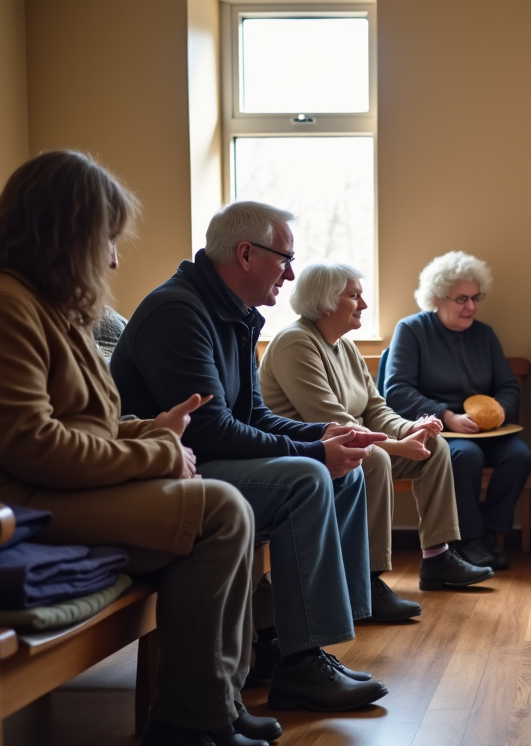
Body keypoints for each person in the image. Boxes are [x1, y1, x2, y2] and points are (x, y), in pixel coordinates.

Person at [0, 150, 272, 746]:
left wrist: (152, 429)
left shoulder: (50, 308)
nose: (115, 258)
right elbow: (33, 447)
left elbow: (86, 424)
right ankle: (188, 725)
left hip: (42, 491)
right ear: (65, 233)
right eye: (108, 239)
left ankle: (215, 708)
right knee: (219, 511)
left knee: (222, 509)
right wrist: (157, 453)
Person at [110, 201, 389, 716]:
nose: (291, 274)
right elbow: (211, 431)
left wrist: (324, 433)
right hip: (170, 472)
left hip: (207, 459)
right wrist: (314, 451)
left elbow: (253, 414)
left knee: (345, 471)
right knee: (308, 477)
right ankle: (301, 665)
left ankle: (284, 640)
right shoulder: (179, 311)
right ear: (245, 254)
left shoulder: (234, 313)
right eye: (285, 259)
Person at [258, 261, 492, 619]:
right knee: (375, 459)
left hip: (348, 443)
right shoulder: (295, 343)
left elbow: (376, 409)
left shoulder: (345, 347)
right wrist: (396, 446)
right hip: (305, 451)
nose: (364, 304)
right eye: (354, 296)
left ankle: (437, 557)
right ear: (325, 302)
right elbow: (331, 422)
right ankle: (365, 580)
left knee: (434, 448)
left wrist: (411, 429)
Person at [385, 251, 531, 571]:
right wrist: (447, 416)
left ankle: (490, 532)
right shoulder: (411, 330)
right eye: (462, 299)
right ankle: (468, 539)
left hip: (488, 431)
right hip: (440, 429)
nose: (472, 307)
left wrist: (500, 411)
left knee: (519, 456)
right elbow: (397, 390)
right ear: (437, 298)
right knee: (466, 456)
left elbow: (508, 386)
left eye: (476, 297)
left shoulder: (485, 334)